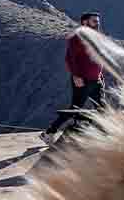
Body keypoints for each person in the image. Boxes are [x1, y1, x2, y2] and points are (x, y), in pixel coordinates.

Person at [41, 11, 105, 145]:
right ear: (84, 22)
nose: (97, 23)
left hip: (96, 80)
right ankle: (49, 133)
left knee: (102, 109)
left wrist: (100, 76)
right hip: (83, 80)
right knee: (75, 108)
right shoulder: (77, 37)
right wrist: (76, 76)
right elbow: (70, 59)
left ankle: (101, 138)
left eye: (98, 21)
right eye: (94, 21)